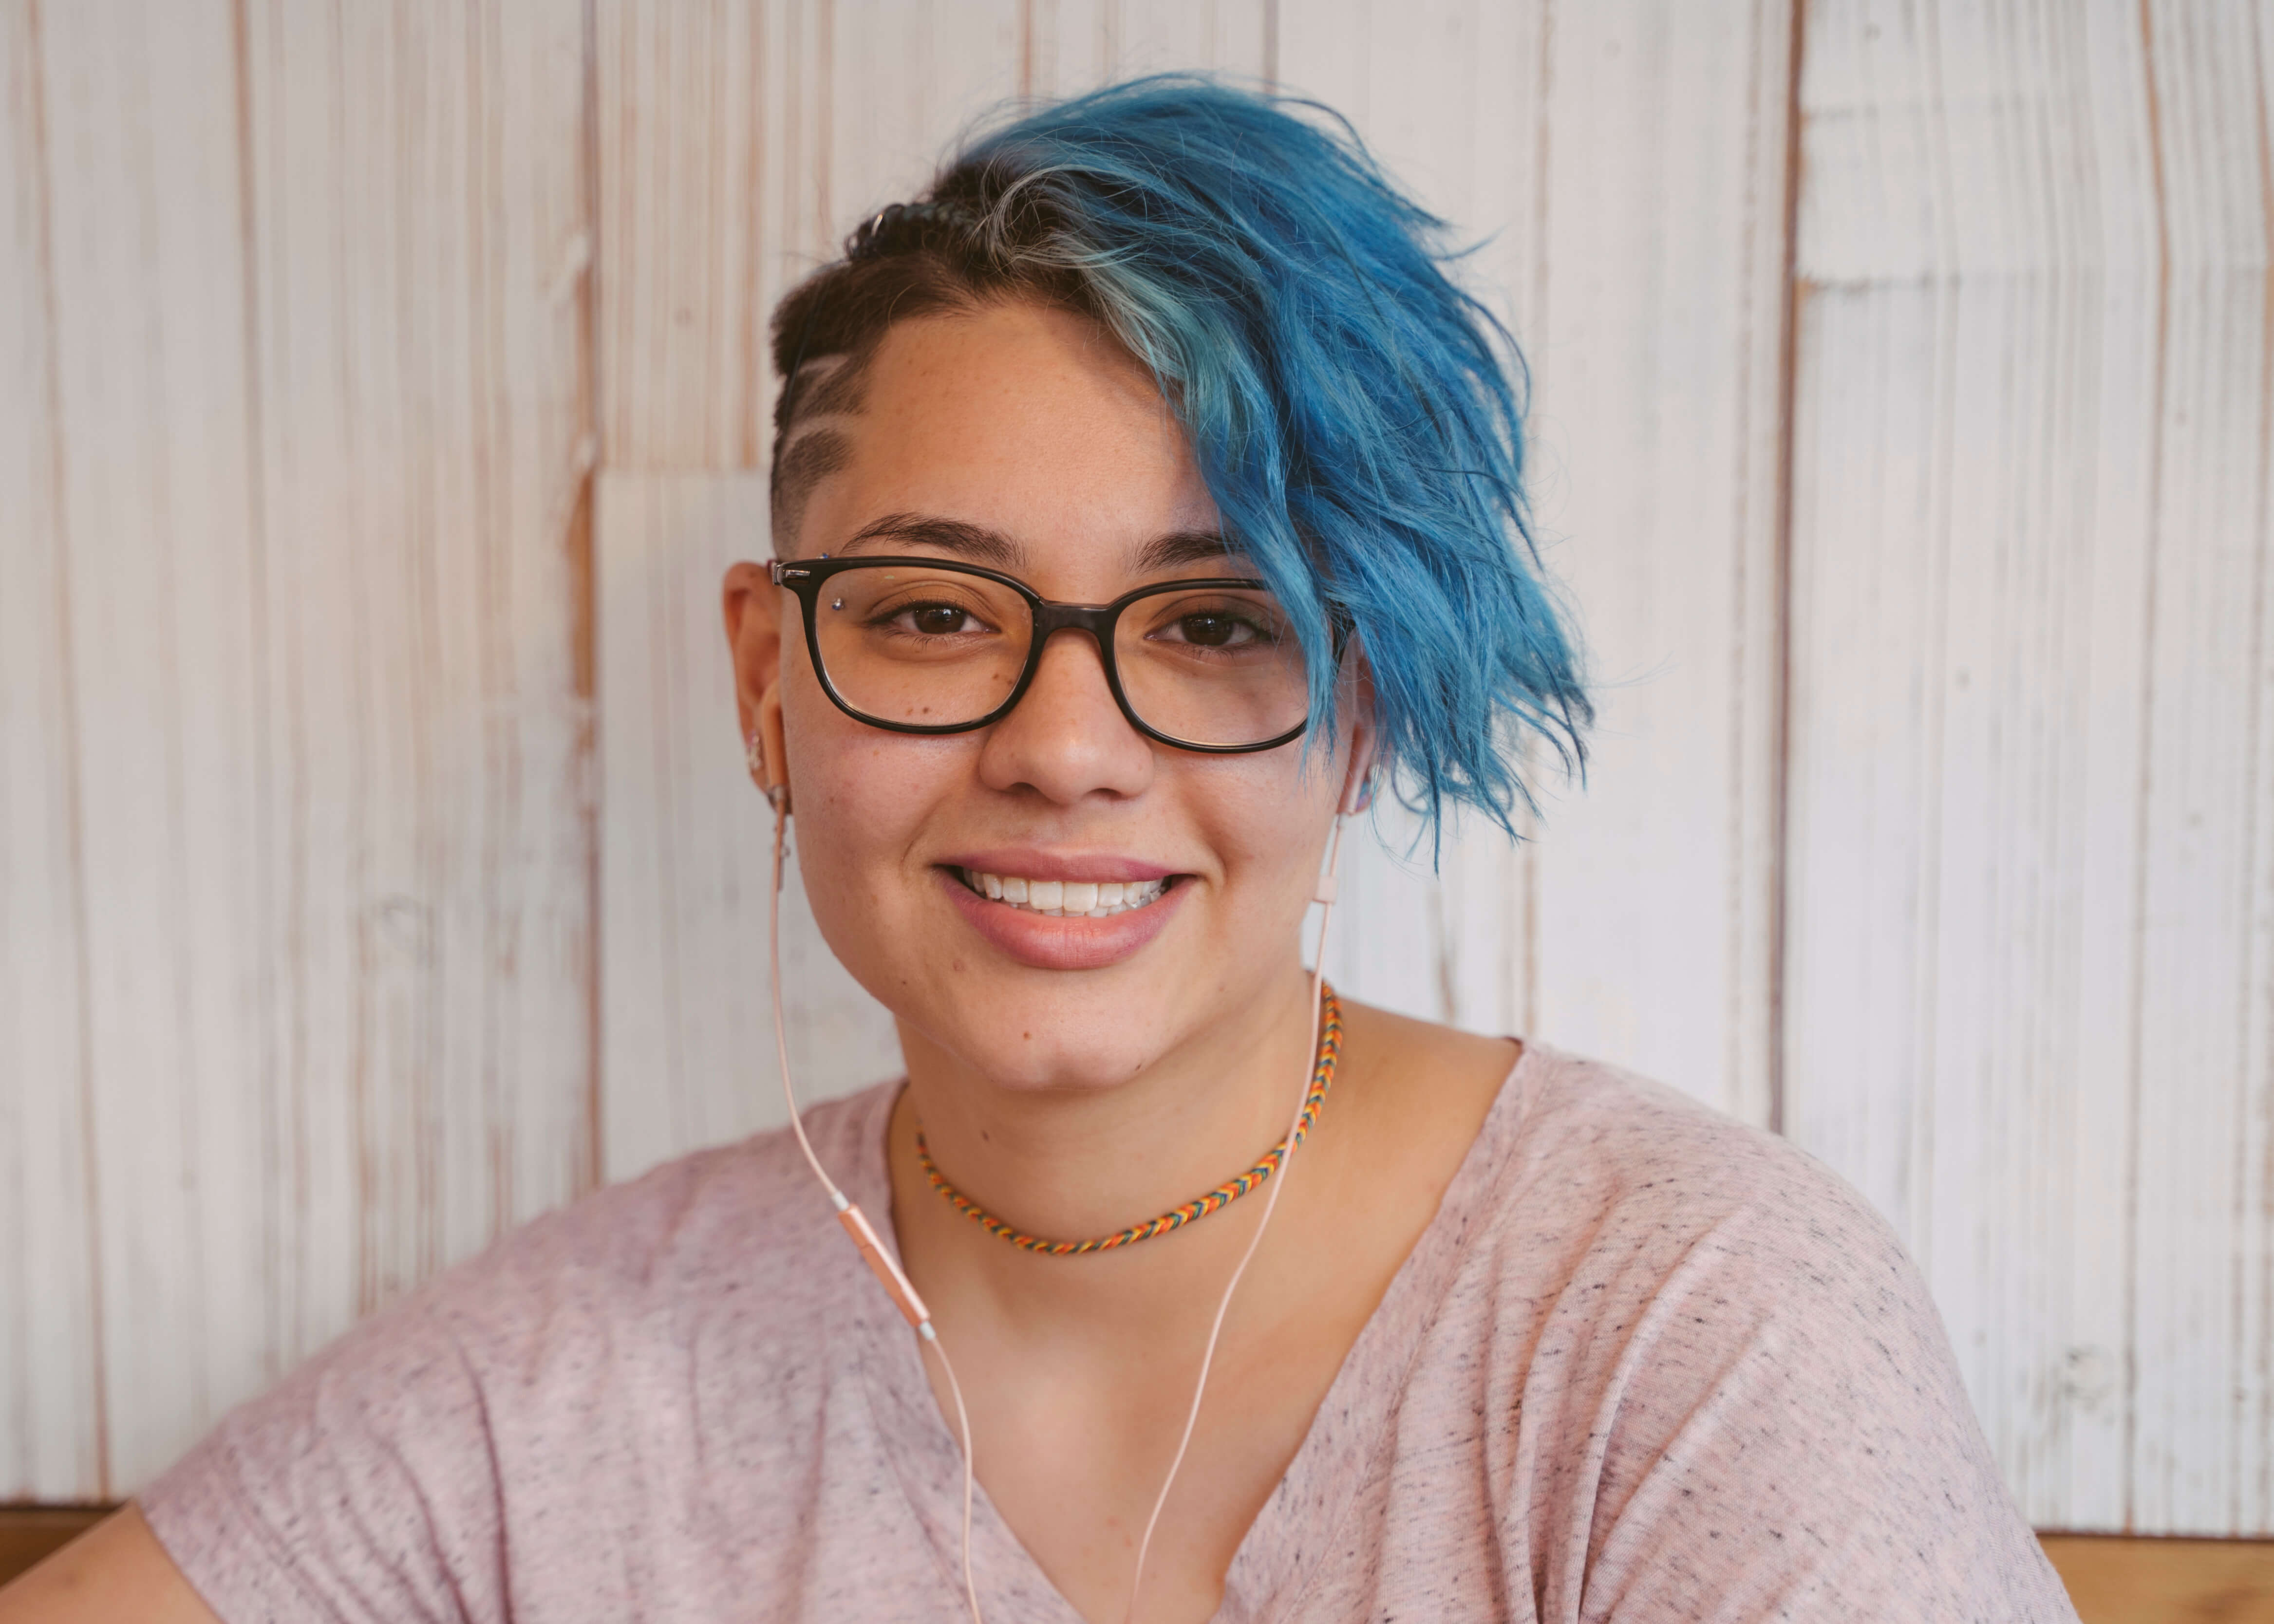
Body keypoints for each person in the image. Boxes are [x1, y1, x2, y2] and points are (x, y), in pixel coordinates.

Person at [0, 75, 2076, 1624]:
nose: (1065, 749)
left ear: (1359, 708)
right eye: (931, 612)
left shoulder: (1683, 1324)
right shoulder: (558, 1387)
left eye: (1215, 623)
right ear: (767, 684)